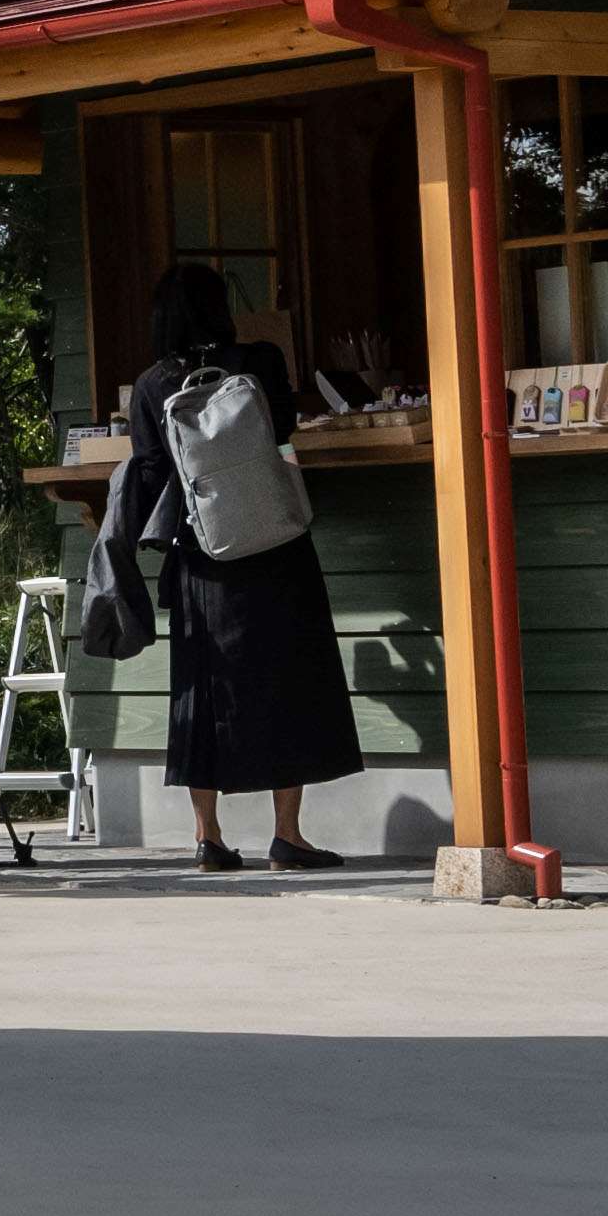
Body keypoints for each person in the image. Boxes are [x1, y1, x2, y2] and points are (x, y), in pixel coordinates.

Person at [122, 256, 360, 870]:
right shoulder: (259, 361)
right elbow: (284, 430)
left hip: (204, 553)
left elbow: (151, 470)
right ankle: (288, 836)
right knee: (291, 679)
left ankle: (210, 838)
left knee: (204, 689)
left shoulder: (151, 385)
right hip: (276, 541)